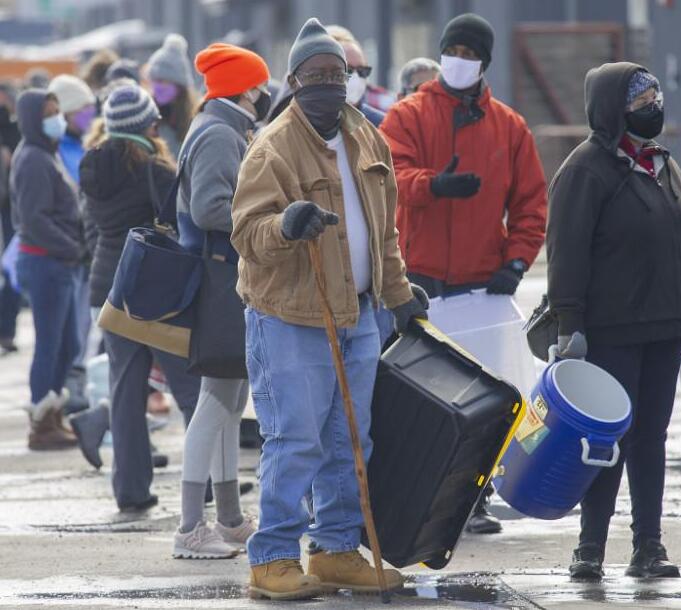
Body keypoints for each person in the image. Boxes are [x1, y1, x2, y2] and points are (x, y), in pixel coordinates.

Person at [231, 18, 427, 600]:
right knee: (295, 438)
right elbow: (245, 233)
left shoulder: (368, 136)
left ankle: (337, 549)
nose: (328, 84)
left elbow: (384, 230)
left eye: (336, 74)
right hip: (291, 314)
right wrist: (286, 225)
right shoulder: (273, 146)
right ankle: (272, 558)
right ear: (294, 81)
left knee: (351, 439)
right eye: (315, 75)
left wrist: (398, 296)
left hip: (358, 313)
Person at [380, 13, 547, 534]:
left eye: (470, 53)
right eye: (452, 50)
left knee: (485, 402)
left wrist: (516, 261)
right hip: (421, 285)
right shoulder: (407, 115)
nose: (459, 60)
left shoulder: (510, 127)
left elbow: (531, 204)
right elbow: (390, 176)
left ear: (484, 62)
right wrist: (433, 186)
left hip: (482, 289)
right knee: (420, 401)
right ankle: (417, 496)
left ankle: (472, 500)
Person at [546, 63, 681, 581]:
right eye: (641, 101)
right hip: (611, 330)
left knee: (651, 439)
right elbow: (566, 253)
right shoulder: (586, 169)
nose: (654, 108)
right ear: (612, 108)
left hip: (664, 326)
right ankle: (590, 546)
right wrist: (567, 324)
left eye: (656, 98)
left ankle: (648, 546)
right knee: (607, 442)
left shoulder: (662, 163)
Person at [78, 84, 200, 511]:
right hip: (153, 291)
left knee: (126, 392)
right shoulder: (153, 169)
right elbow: (184, 228)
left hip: (109, 290)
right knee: (191, 390)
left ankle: (130, 491)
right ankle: (203, 484)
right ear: (148, 124)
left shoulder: (91, 165)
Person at [171, 42, 272, 560]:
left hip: (221, 279)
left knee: (230, 401)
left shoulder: (217, 126)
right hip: (220, 280)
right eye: (258, 84)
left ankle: (229, 518)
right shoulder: (218, 133)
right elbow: (213, 210)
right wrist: (263, 217)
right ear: (245, 88)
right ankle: (191, 528)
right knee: (215, 403)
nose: (264, 93)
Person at [10, 89, 82, 450]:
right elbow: (36, 220)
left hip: (57, 263)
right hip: (46, 262)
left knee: (68, 345)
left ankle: (53, 412)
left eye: (58, 111)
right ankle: (42, 423)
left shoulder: (44, 154)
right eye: (49, 113)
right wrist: (74, 248)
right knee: (51, 345)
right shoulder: (34, 159)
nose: (57, 118)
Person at [47, 74, 98, 415]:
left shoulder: (82, 144)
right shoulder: (56, 151)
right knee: (68, 324)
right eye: (82, 111)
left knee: (84, 323)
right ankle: (65, 390)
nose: (89, 117)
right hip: (67, 250)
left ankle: (75, 384)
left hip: (84, 249)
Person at [145, 34, 198, 159]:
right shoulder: (148, 116)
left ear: (179, 85)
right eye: (155, 81)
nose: (158, 86)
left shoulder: (195, 118)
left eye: (163, 81)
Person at [327, 26, 384, 126]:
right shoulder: (301, 122)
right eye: (348, 70)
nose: (355, 77)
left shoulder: (380, 124)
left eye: (362, 71)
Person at [0, 80, 20, 355]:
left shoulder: (15, 130)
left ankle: (6, 331)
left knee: (10, 270)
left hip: (11, 208)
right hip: (9, 207)